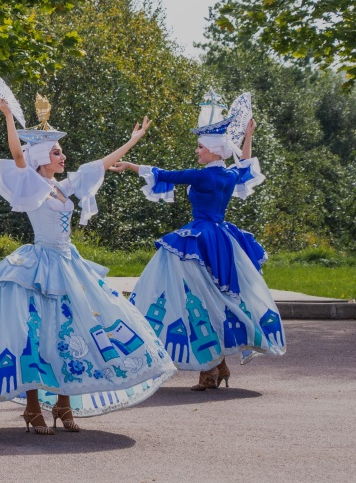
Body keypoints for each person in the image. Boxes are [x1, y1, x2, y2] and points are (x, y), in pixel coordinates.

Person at [0, 82, 175, 434]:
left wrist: (133, 139)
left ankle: (64, 404)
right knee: (34, 335)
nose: (63, 158)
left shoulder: (67, 184)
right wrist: (7, 118)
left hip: (69, 264)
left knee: (73, 330)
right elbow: (18, 155)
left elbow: (102, 165)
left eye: (63, 153)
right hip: (38, 265)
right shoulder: (31, 183)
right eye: (58, 153)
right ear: (43, 157)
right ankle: (33, 408)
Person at [114, 91, 284, 390]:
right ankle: (217, 366)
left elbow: (166, 174)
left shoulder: (202, 176)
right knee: (211, 299)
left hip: (199, 239)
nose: (197, 152)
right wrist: (248, 135)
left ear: (214, 151)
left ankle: (212, 367)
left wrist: (129, 166)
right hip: (223, 239)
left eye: (200, 148)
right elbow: (245, 164)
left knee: (192, 299)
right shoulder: (228, 176)